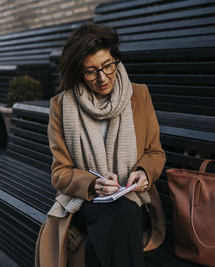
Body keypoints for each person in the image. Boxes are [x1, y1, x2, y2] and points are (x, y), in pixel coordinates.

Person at [35, 23, 166, 267]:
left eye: (107, 66)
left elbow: (155, 152)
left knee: (121, 215)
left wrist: (144, 172)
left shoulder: (139, 95)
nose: (102, 77)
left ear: (116, 59)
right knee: (119, 218)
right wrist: (93, 183)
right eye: (91, 71)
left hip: (135, 197)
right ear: (78, 73)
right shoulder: (61, 107)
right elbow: (60, 173)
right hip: (87, 202)